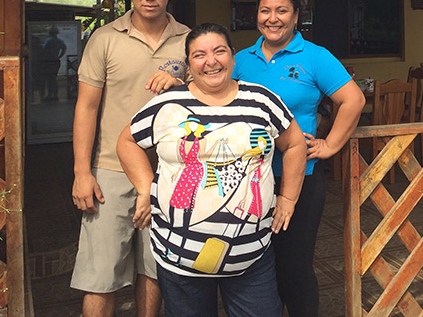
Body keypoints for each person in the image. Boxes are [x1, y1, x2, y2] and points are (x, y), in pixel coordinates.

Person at [117, 22, 306, 317]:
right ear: (189, 64)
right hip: (179, 259)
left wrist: (289, 198)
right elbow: (127, 141)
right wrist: (145, 189)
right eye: (199, 55)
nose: (211, 61)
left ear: (232, 56)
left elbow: (294, 144)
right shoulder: (167, 104)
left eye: (219, 51)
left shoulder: (261, 101)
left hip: (251, 258)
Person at [232, 0, 365, 317]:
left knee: (294, 265)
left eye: (282, 11)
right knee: (256, 264)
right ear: (256, 15)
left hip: (299, 177)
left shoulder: (315, 57)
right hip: (249, 179)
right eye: (265, 10)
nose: (272, 18)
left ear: (295, 17)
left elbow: (353, 99)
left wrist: (331, 144)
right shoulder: (240, 60)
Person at [71, 0, 190, 317]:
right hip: (111, 168)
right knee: (100, 273)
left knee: (155, 269)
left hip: (172, 172)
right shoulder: (105, 39)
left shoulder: (189, 40)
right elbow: (86, 107)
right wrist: (81, 172)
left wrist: (181, 83)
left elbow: (209, 96)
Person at [39, 25, 67, 101]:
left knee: (49, 79)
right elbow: (64, 48)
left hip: (48, 61)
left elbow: (43, 50)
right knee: (53, 78)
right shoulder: (59, 41)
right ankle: (55, 94)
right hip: (55, 61)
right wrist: (59, 56)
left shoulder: (48, 41)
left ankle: (50, 94)